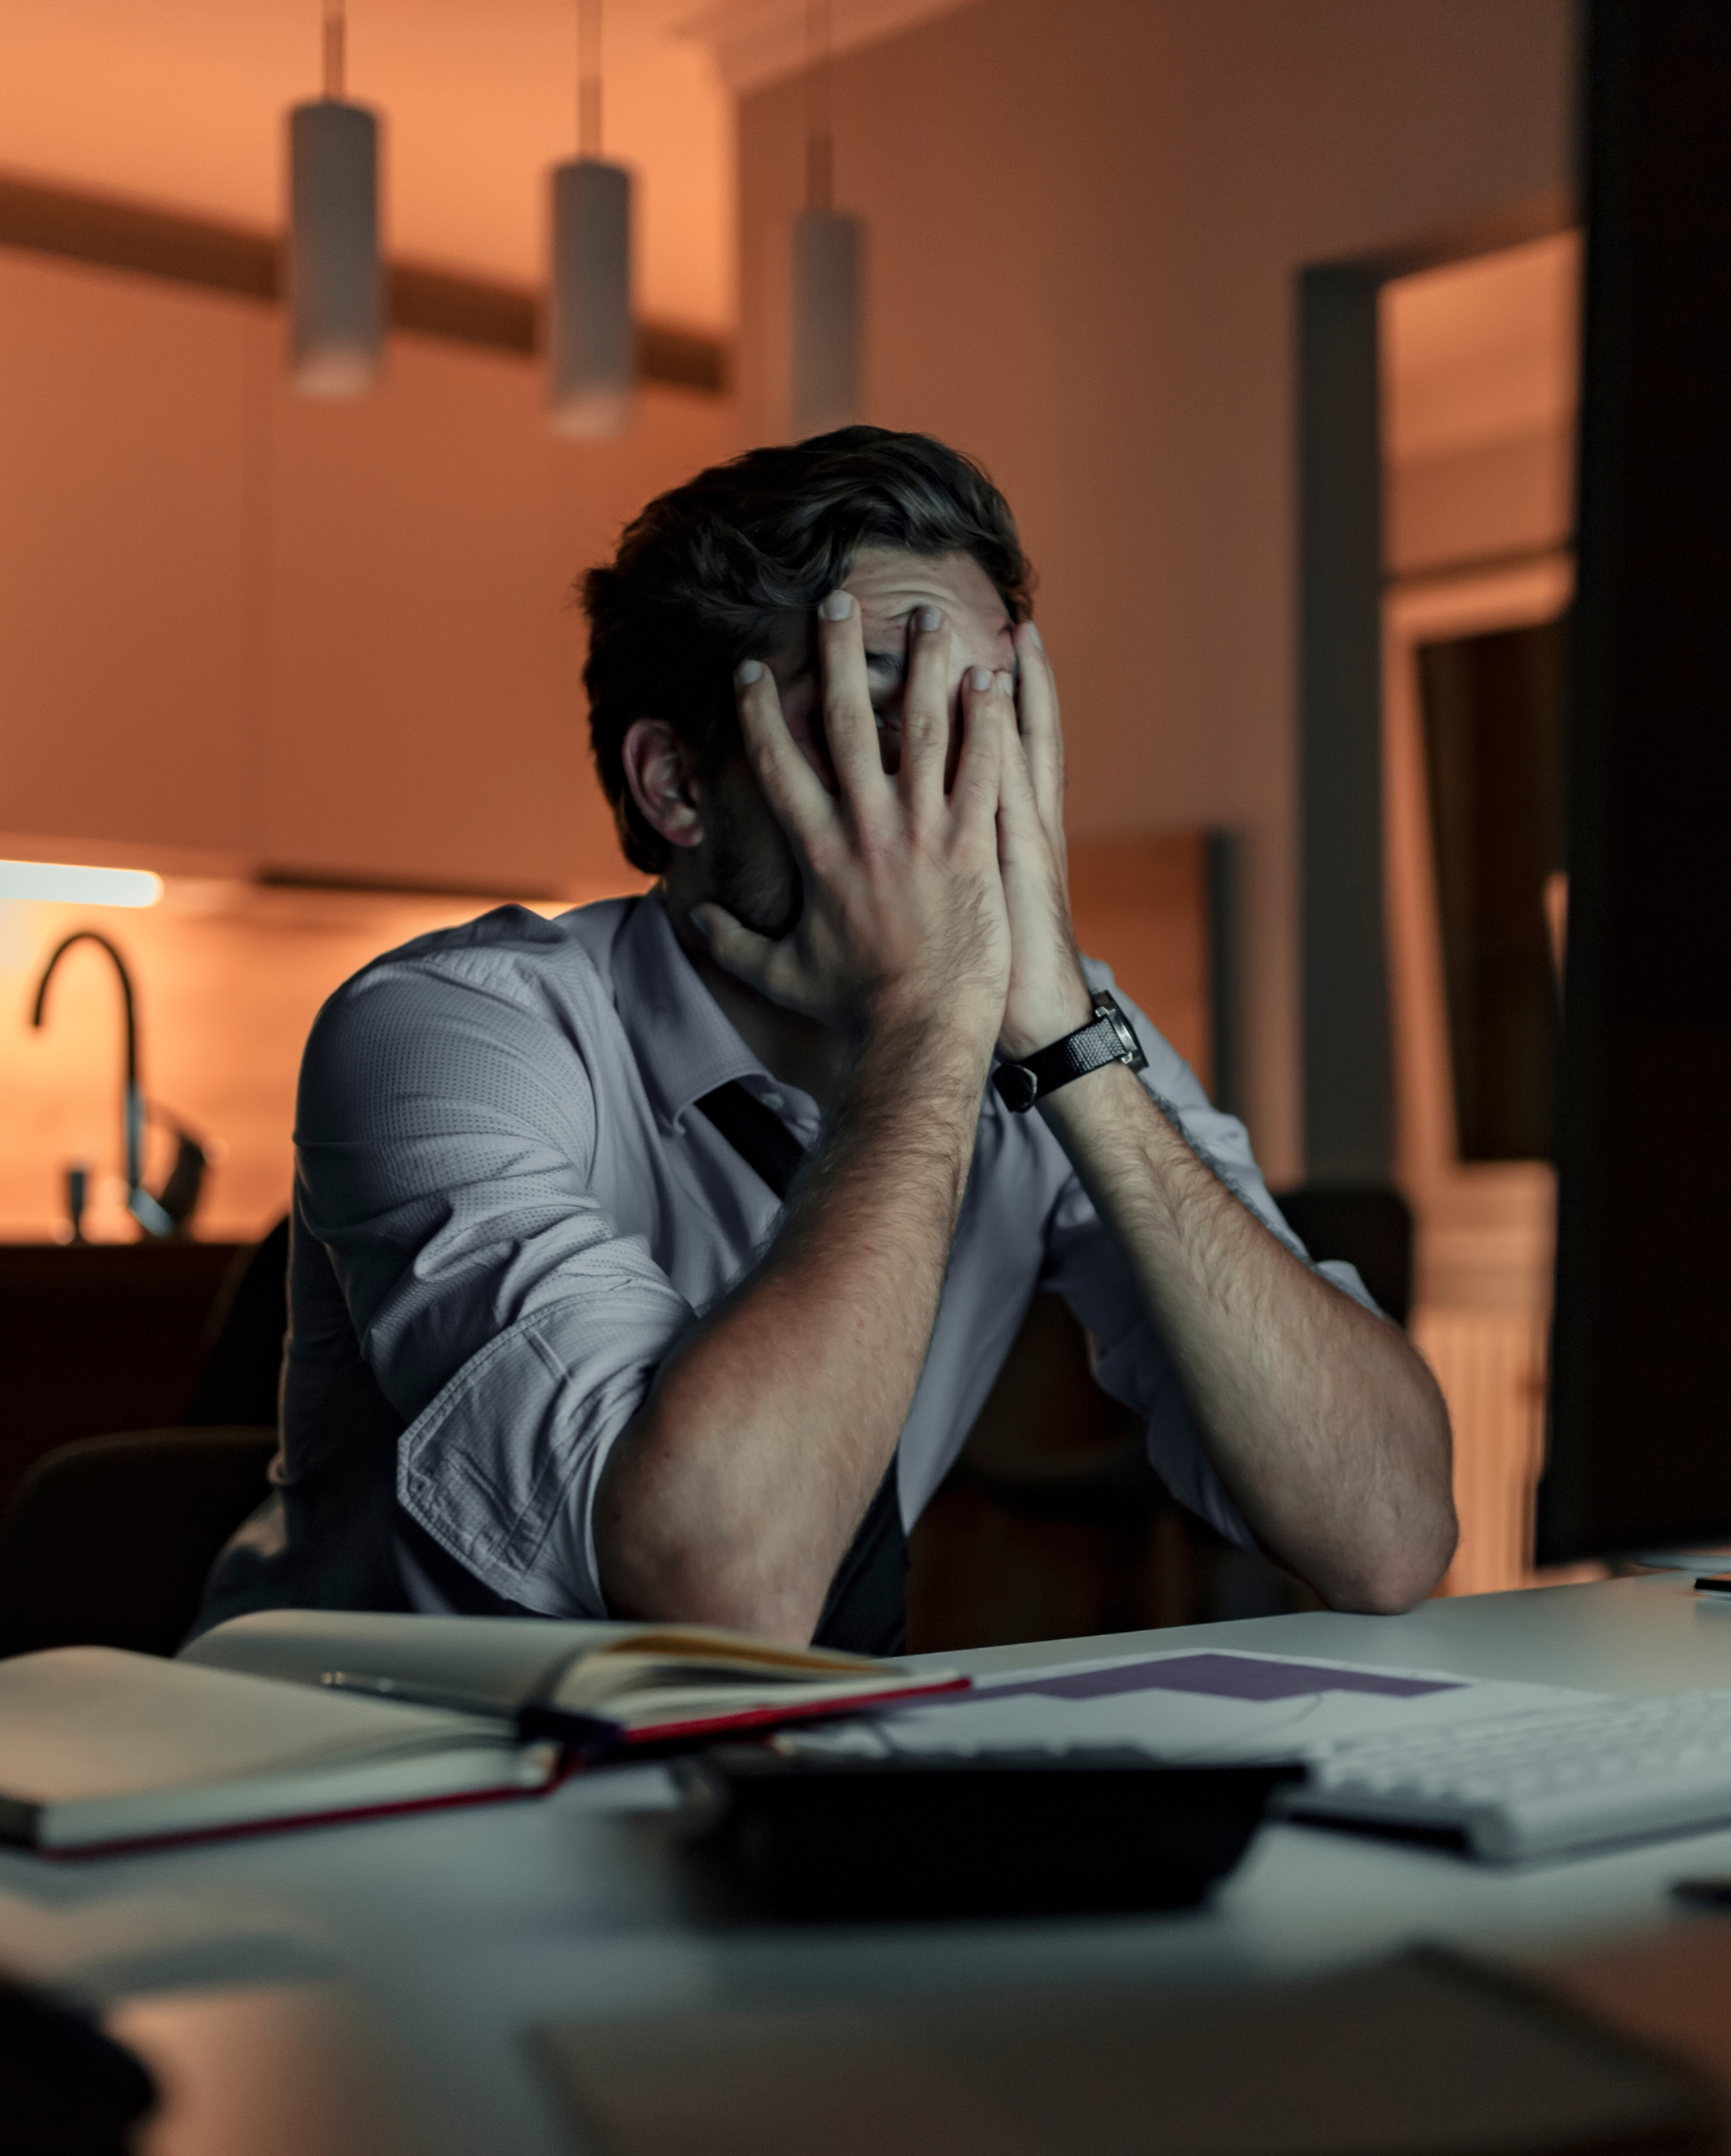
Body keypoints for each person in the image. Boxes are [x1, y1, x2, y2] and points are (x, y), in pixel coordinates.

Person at [193, 427, 1456, 1651]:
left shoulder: (1050, 1019)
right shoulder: (449, 1031)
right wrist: (922, 1024)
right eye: (886, 723)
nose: (969, 800)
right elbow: (721, 1589)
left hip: (748, 1796)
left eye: (996, 724)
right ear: (678, 785)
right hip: (357, 1790)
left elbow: (1389, 1535)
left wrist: (1071, 1042)